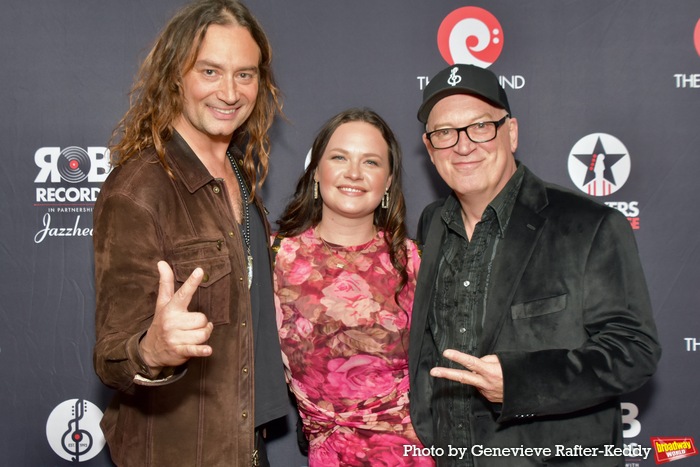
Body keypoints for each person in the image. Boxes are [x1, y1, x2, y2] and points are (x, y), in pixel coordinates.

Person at [408, 64, 661, 466]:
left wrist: (521, 383)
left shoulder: (589, 226)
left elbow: (633, 351)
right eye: (445, 133)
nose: (463, 145)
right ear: (429, 146)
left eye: (480, 127)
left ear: (511, 133)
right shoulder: (431, 223)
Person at [92, 1, 288, 465]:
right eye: (210, 71)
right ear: (175, 76)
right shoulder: (139, 190)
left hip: (244, 443)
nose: (230, 91)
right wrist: (152, 349)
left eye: (245, 74)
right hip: (177, 453)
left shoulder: (238, 177)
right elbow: (111, 356)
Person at [273, 108, 434, 466]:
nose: (354, 173)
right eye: (339, 157)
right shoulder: (276, 259)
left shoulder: (418, 262)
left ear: (389, 180)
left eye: (371, 162)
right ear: (316, 171)